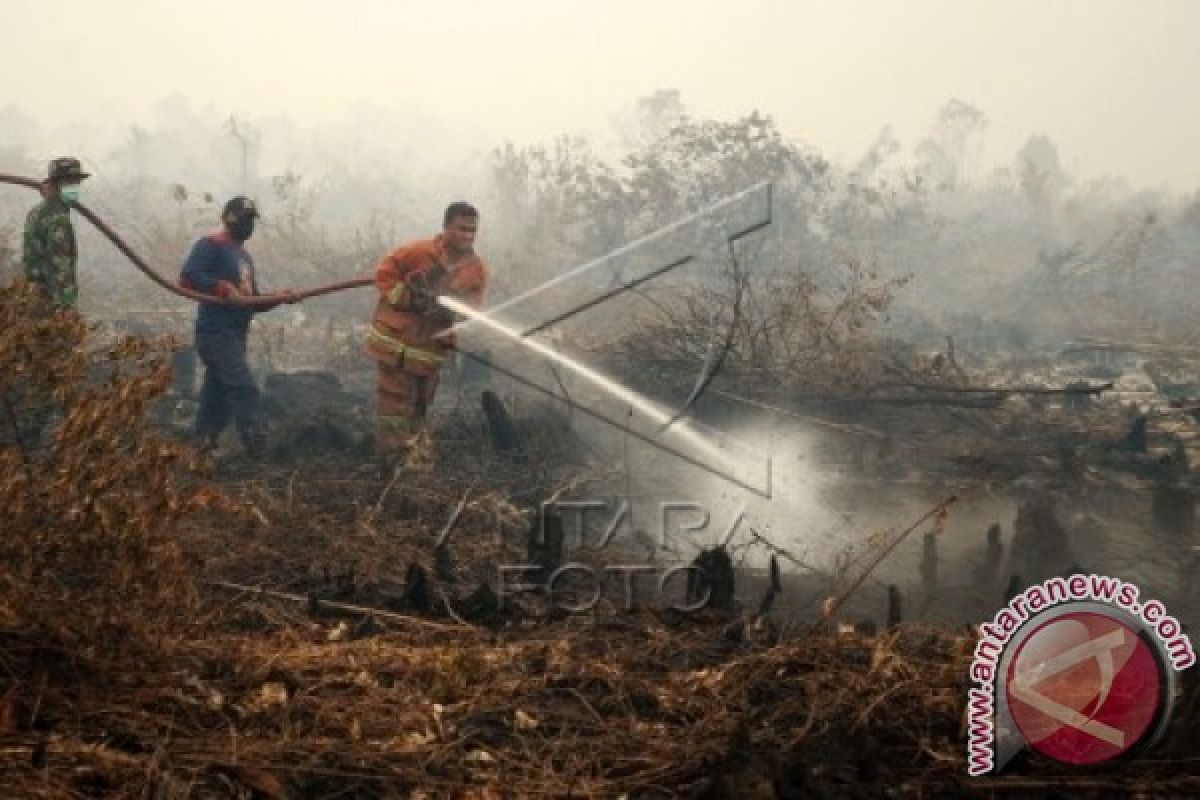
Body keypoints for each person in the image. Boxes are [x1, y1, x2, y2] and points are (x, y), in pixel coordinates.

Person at [366, 202, 487, 460]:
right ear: (445, 227)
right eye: (462, 229)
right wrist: (411, 299)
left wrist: (455, 312)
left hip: (428, 354)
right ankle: (389, 464)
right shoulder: (417, 252)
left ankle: (413, 460)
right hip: (395, 346)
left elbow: (472, 310)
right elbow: (383, 274)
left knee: (420, 408)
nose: (468, 236)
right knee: (393, 408)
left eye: (473, 230)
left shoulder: (476, 270)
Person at [179, 196, 298, 457]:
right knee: (244, 388)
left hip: (234, 336)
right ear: (229, 219)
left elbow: (251, 301)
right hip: (215, 334)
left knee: (216, 398)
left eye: (251, 221)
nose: (248, 226)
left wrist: (279, 297)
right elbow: (188, 277)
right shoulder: (211, 245)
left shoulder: (243, 257)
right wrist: (220, 287)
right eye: (244, 220)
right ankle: (259, 450)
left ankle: (198, 450)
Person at [22, 157, 89, 310]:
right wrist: (66, 307)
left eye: (76, 182)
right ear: (55, 184)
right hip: (51, 303)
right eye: (69, 182)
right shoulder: (59, 219)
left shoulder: (36, 211)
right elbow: (60, 267)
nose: (75, 186)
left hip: (32, 298)